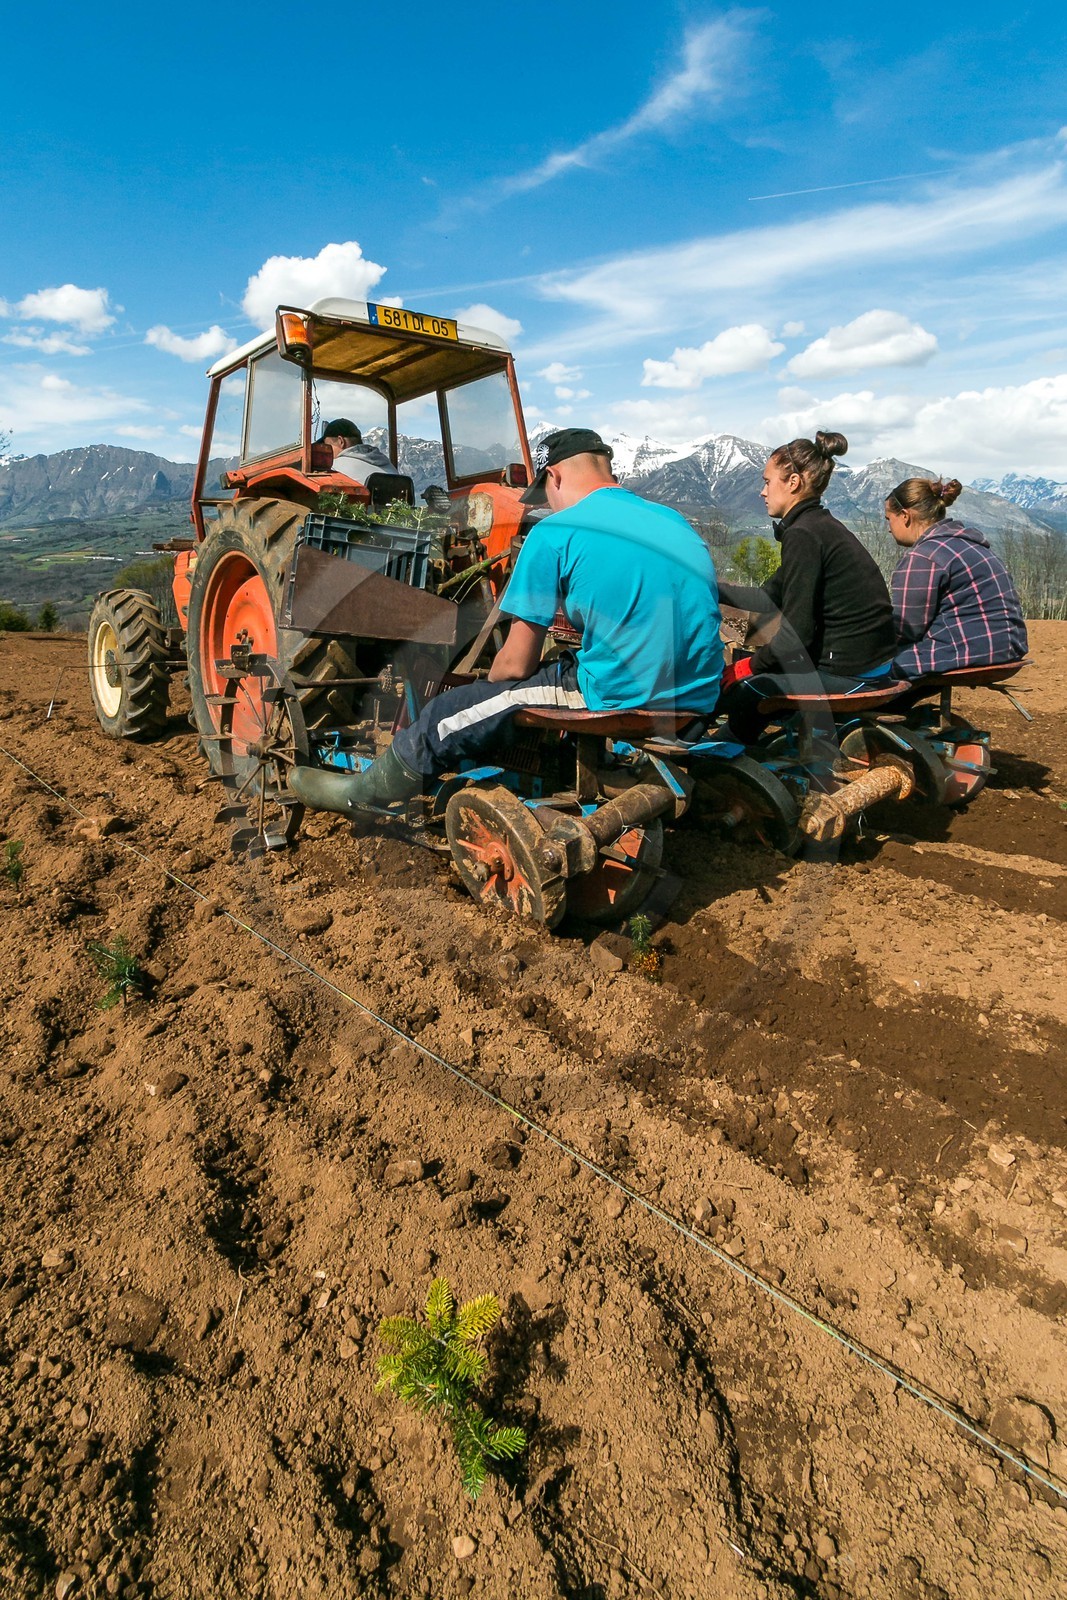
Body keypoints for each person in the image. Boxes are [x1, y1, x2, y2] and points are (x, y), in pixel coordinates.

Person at [289, 427, 724, 811]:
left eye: (546, 492)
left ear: (553, 476)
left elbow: (514, 666)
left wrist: (484, 686)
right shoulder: (674, 520)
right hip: (699, 696)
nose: (548, 503)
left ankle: (362, 792)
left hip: (624, 695)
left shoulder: (555, 532)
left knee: (450, 712)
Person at [716, 431, 896, 743]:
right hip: (872, 664)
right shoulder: (817, 527)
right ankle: (743, 744)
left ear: (794, 483)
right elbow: (767, 597)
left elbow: (795, 637)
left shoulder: (803, 535)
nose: (762, 492)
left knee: (739, 691)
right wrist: (710, 588)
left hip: (849, 673)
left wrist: (748, 667)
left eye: (767, 481)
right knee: (754, 686)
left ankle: (719, 759)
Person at [885, 476, 1028, 678]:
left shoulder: (924, 556)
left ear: (905, 516)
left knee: (872, 667)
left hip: (972, 650)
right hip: (1008, 648)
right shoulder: (971, 544)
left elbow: (904, 629)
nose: (889, 528)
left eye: (888, 519)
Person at [319, 417, 400, 483]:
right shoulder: (389, 466)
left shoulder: (333, 468)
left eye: (328, 446)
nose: (326, 451)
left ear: (341, 441)